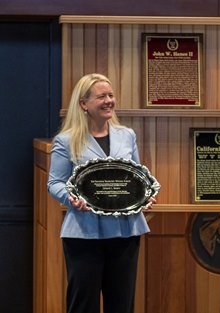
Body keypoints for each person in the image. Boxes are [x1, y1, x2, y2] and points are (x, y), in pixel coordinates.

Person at [47, 73, 155, 313]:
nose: (109, 101)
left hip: (126, 232)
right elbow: (54, 183)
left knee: (122, 304)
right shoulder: (66, 141)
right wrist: (71, 198)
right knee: (83, 304)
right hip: (84, 234)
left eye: (111, 95)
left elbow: (137, 176)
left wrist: (144, 197)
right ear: (84, 104)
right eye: (101, 96)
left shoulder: (127, 135)